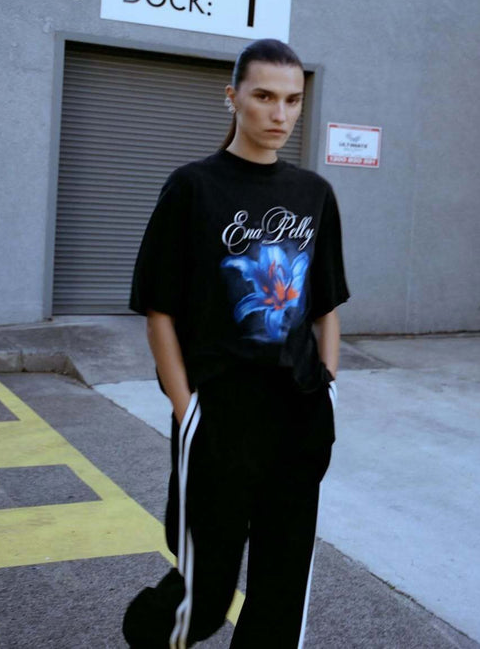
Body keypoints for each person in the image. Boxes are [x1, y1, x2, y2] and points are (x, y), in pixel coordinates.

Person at [122, 38, 350, 649]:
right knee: (205, 594)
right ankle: (147, 633)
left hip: (300, 410)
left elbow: (325, 306)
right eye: (264, 97)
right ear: (233, 97)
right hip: (221, 412)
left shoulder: (314, 194)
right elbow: (159, 311)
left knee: (282, 588)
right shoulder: (192, 187)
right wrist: (186, 408)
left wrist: (328, 387)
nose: (280, 114)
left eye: (293, 100)